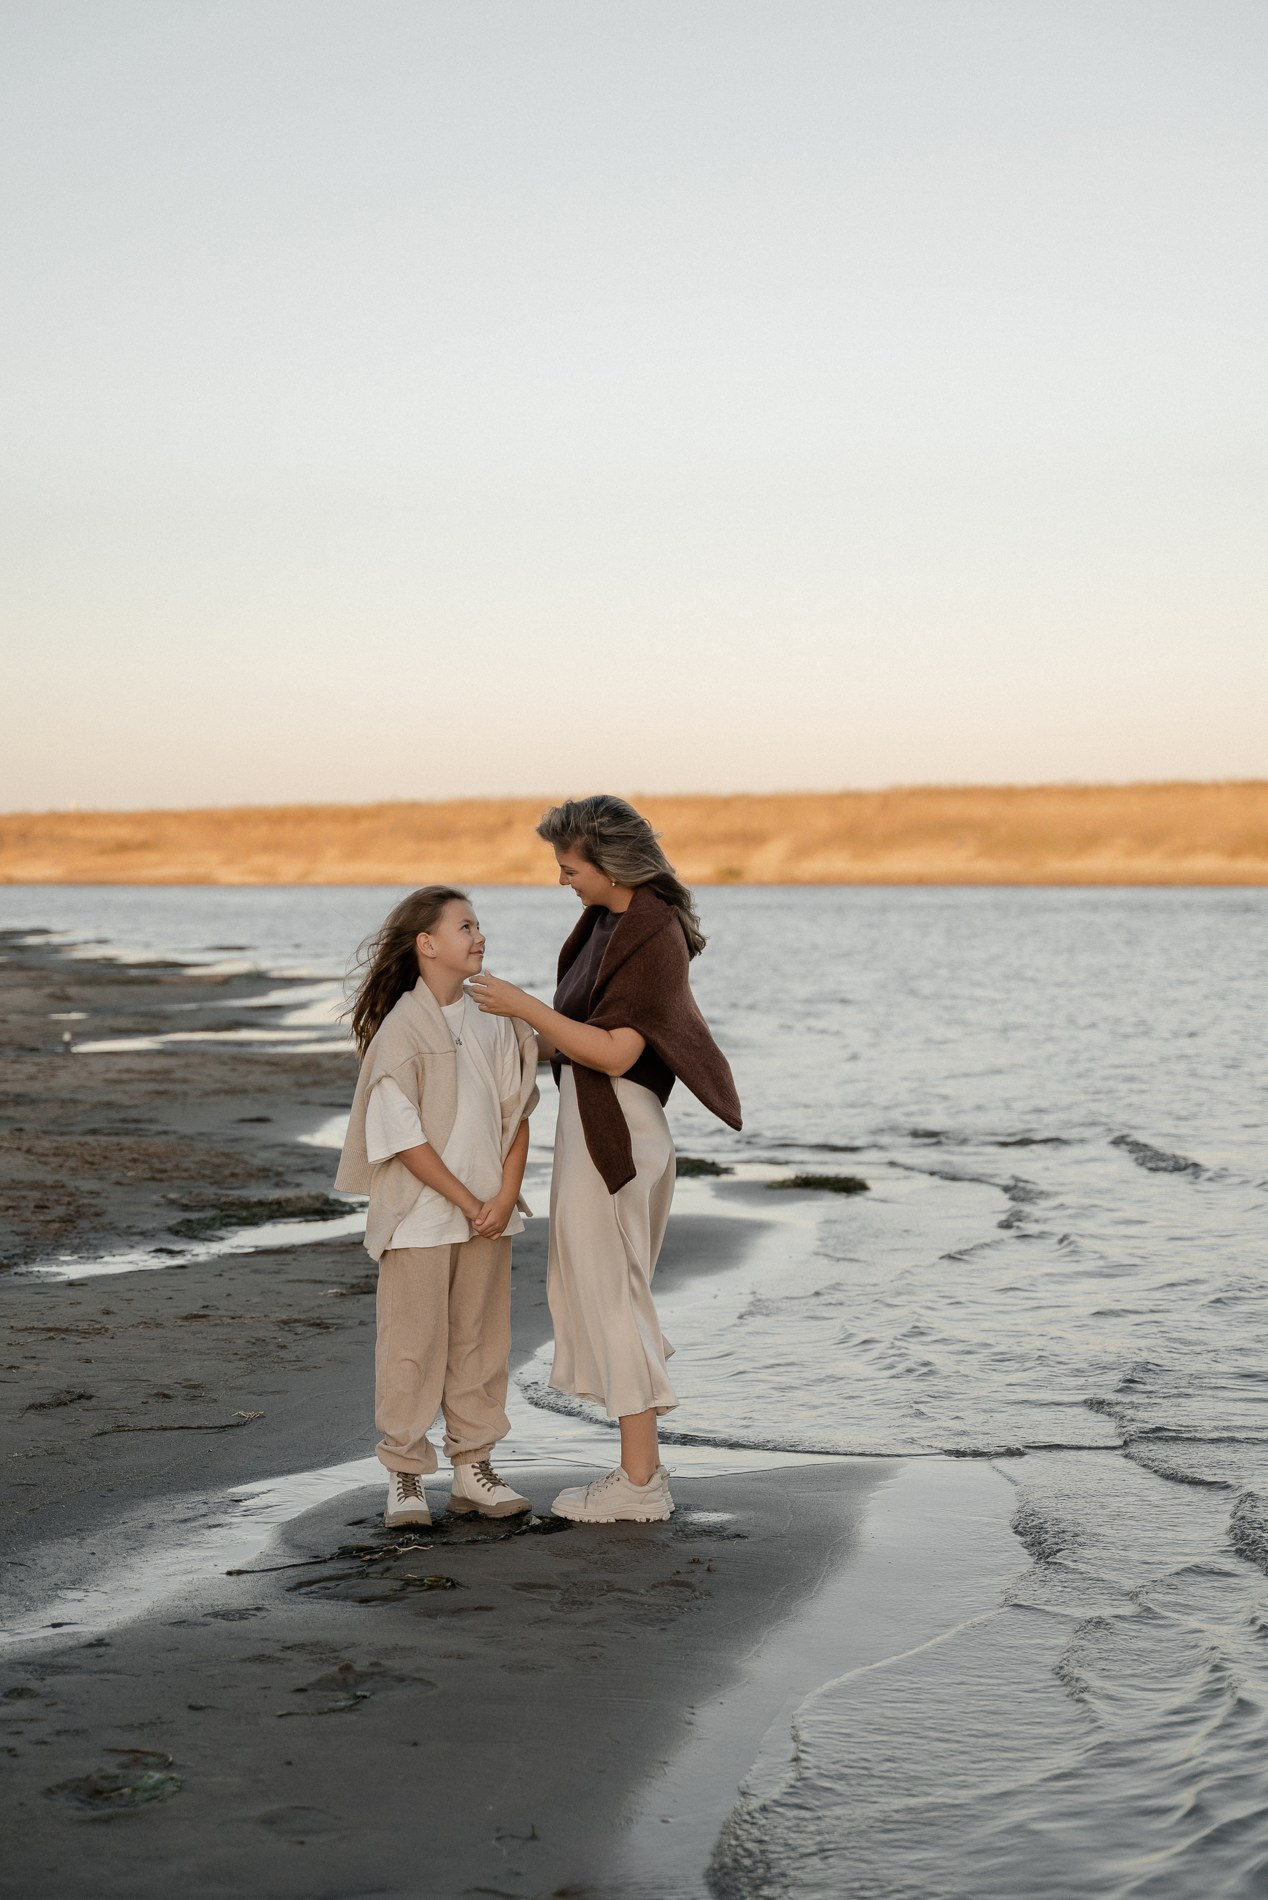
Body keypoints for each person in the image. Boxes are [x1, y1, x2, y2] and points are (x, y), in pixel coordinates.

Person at [468, 795, 741, 1524]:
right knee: (610, 1290)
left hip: (616, 1130)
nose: (563, 880)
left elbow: (619, 1051)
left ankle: (640, 1484)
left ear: (609, 863)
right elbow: (579, 1035)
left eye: (570, 867)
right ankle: (641, 1468)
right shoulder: (612, 922)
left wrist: (525, 1008)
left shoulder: (650, 929)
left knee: (612, 1294)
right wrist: (499, 1034)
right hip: (600, 1124)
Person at [336, 888, 539, 1528]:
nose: (479, 937)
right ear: (427, 945)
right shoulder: (402, 1030)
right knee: (412, 1346)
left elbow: (518, 1113)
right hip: (422, 1217)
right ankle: (405, 1477)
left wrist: (504, 1197)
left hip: (490, 1213)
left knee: (481, 1343)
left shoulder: (497, 1019)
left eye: (479, 925)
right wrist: (470, 1200)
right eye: (465, 927)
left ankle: (473, 1470)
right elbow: (406, 1142)